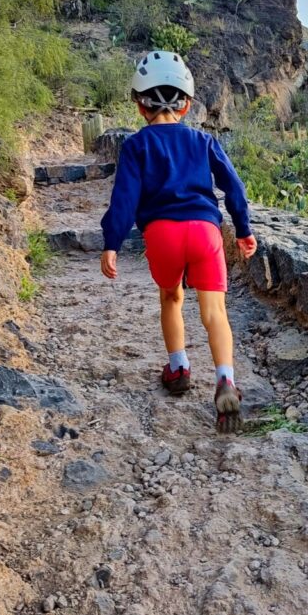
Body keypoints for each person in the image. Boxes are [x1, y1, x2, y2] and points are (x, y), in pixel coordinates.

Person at [99, 50, 257, 433]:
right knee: (215, 312)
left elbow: (125, 198)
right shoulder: (203, 141)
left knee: (171, 297)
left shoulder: (137, 146)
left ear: (140, 106)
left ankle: (179, 368)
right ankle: (224, 379)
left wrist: (112, 242)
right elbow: (233, 186)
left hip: (163, 234)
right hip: (205, 232)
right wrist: (244, 228)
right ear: (186, 106)